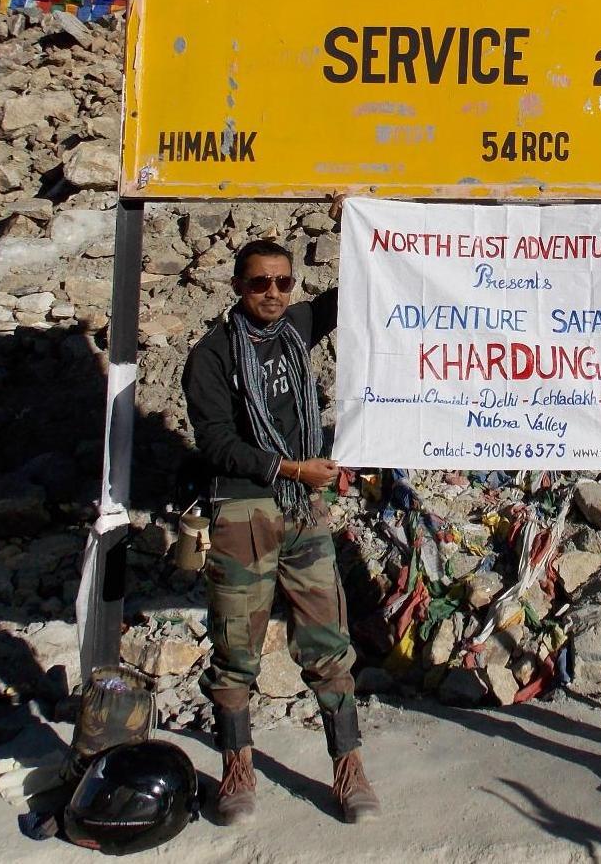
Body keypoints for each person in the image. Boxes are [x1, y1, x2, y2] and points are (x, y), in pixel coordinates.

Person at [181, 234, 380, 825]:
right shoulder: (211, 355)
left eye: (283, 281)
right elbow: (216, 442)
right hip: (243, 512)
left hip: (304, 512)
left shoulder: (296, 328)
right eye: (259, 282)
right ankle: (237, 770)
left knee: (328, 643)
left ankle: (349, 767)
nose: (272, 293)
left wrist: (358, 225)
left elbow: (356, 292)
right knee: (235, 649)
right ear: (237, 286)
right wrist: (292, 468)